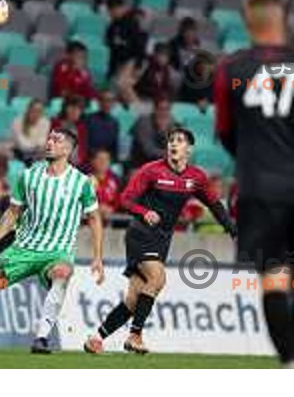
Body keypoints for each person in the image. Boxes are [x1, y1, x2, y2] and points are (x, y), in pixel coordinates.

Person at [0, 127, 105, 354]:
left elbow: (94, 218)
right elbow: (12, 213)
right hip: (24, 247)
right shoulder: (29, 176)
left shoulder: (81, 183)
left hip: (58, 250)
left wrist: (97, 257)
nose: (49, 142)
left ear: (68, 149)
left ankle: (41, 339)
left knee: (62, 273)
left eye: (56, 140)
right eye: (49, 138)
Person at [84, 127, 236, 355]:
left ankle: (96, 338)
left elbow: (214, 204)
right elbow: (125, 199)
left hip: (163, 238)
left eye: (180, 141)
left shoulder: (196, 177)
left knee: (134, 299)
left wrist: (232, 229)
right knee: (158, 277)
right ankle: (135, 336)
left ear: (189, 149)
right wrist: (143, 212)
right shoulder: (151, 171)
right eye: (171, 140)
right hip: (140, 234)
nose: (174, 144)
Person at [215, 0, 294, 367]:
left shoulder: (232, 70)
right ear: (283, 20)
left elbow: (226, 131)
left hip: (259, 190)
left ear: (249, 23)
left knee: (275, 278)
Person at [105, 0, 148, 104]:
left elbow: (140, 46)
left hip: (135, 59)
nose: (113, 12)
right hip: (121, 62)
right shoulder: (112, 28)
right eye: (111, 9)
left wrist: (138, 66)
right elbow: (113, 52)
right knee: (113, 90)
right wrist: (111, 72)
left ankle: (139, 111)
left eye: (116, 8)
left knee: (121, 83)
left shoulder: (132, 22)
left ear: (122, 7)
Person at [129, 97, 175, 169]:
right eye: (161, 109)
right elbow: (149, 151)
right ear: (154, 109)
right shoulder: (143, 123)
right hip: (140, 165)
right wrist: (161, 131)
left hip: (161, 165)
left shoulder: (172, 123)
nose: (164, 113)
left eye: (167, 109)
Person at [50, 94, 88, 167]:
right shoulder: (55, 123)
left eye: (79, 108)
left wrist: (78, 162)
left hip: (75, 165)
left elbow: (83, 151)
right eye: (72, 106)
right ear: (65, 108)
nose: (75, 111)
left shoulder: (81, 128)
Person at [83, 89, 119, 161]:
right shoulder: (89, 120)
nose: (106, 104)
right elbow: (85, 144)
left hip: (107, 160)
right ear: (99, 102)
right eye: (104, 100)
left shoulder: (115, 123)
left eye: (110, 101)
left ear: (114, 103)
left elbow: (114, 147)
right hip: (91, 159)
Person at [87, 149, 121, 225]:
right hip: (89, 223)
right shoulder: (85, 180)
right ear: (92, 161)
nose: (103, 162)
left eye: (106, 159)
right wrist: (96, 208)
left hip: (113, 223)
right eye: (100, 159)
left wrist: (112, 209)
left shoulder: (116, 180)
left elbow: (120, 201)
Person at [11, 98, 50, 163]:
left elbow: (42, 142)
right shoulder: (17, 122)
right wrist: (36, 146)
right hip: (17, 152)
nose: (36, 114)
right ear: (28, 110)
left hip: (36, 153)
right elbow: (23, 145)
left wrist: (37, 147)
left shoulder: (45, 122)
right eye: (34, 110)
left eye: (39, 111)